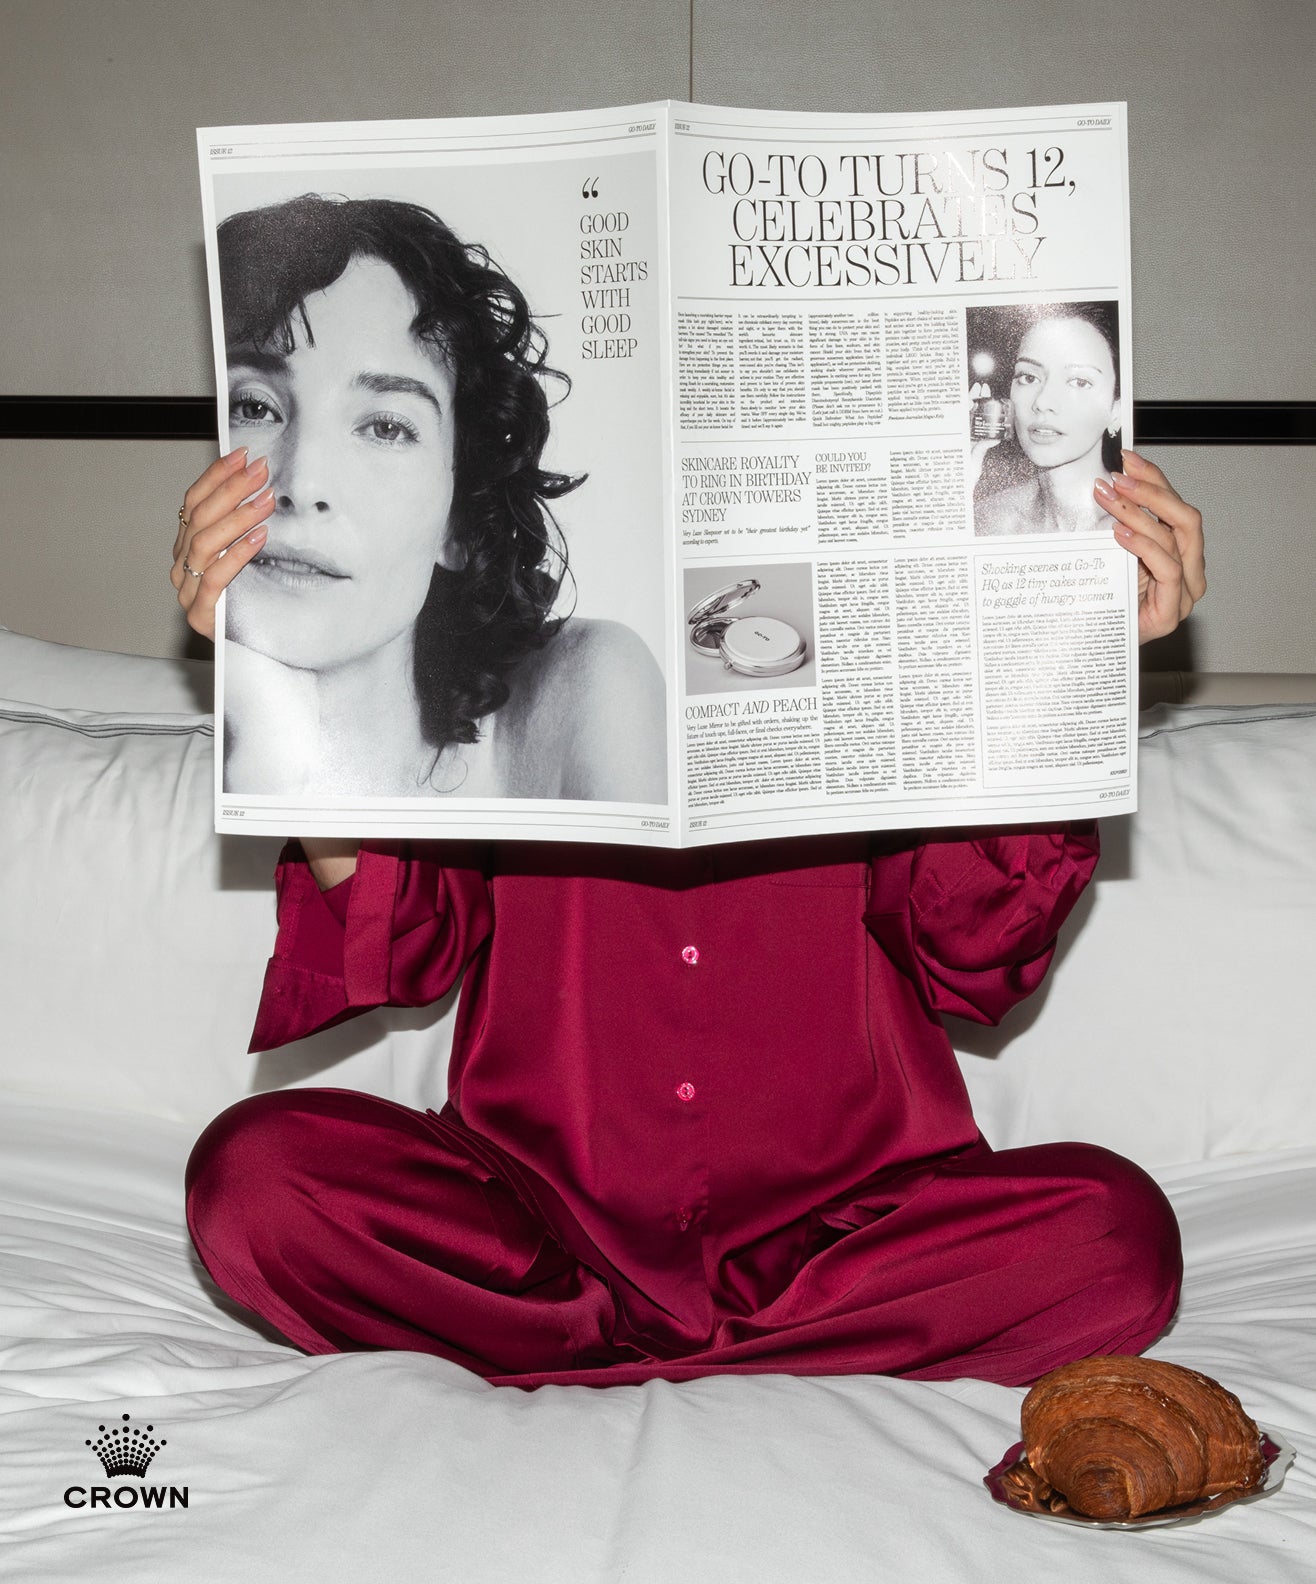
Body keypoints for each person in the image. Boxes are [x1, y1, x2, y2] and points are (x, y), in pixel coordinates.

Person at [175, 414, 1206, 1386]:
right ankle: (754, 1357)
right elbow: (403, 945)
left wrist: (1069, 666)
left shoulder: (899, 654)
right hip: (536, 1217)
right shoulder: (505, 685)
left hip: (859, 1221)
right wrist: (276, 667)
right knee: (253, 1184)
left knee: (1116, 1236)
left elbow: (971, 949)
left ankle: (588, 1357)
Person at [173, 194, 665, 802]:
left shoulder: (591, 688)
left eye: (386, 427)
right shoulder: (150, 792)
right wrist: (265, 725)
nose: (302, 483)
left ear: (459, 521)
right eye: (255, 407)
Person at [972, 303, 1125, 537]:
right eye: (1028, 377)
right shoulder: (987, 518)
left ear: (1116, 411)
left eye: (1079, 382)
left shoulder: (1134, 526)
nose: (1042, 402)